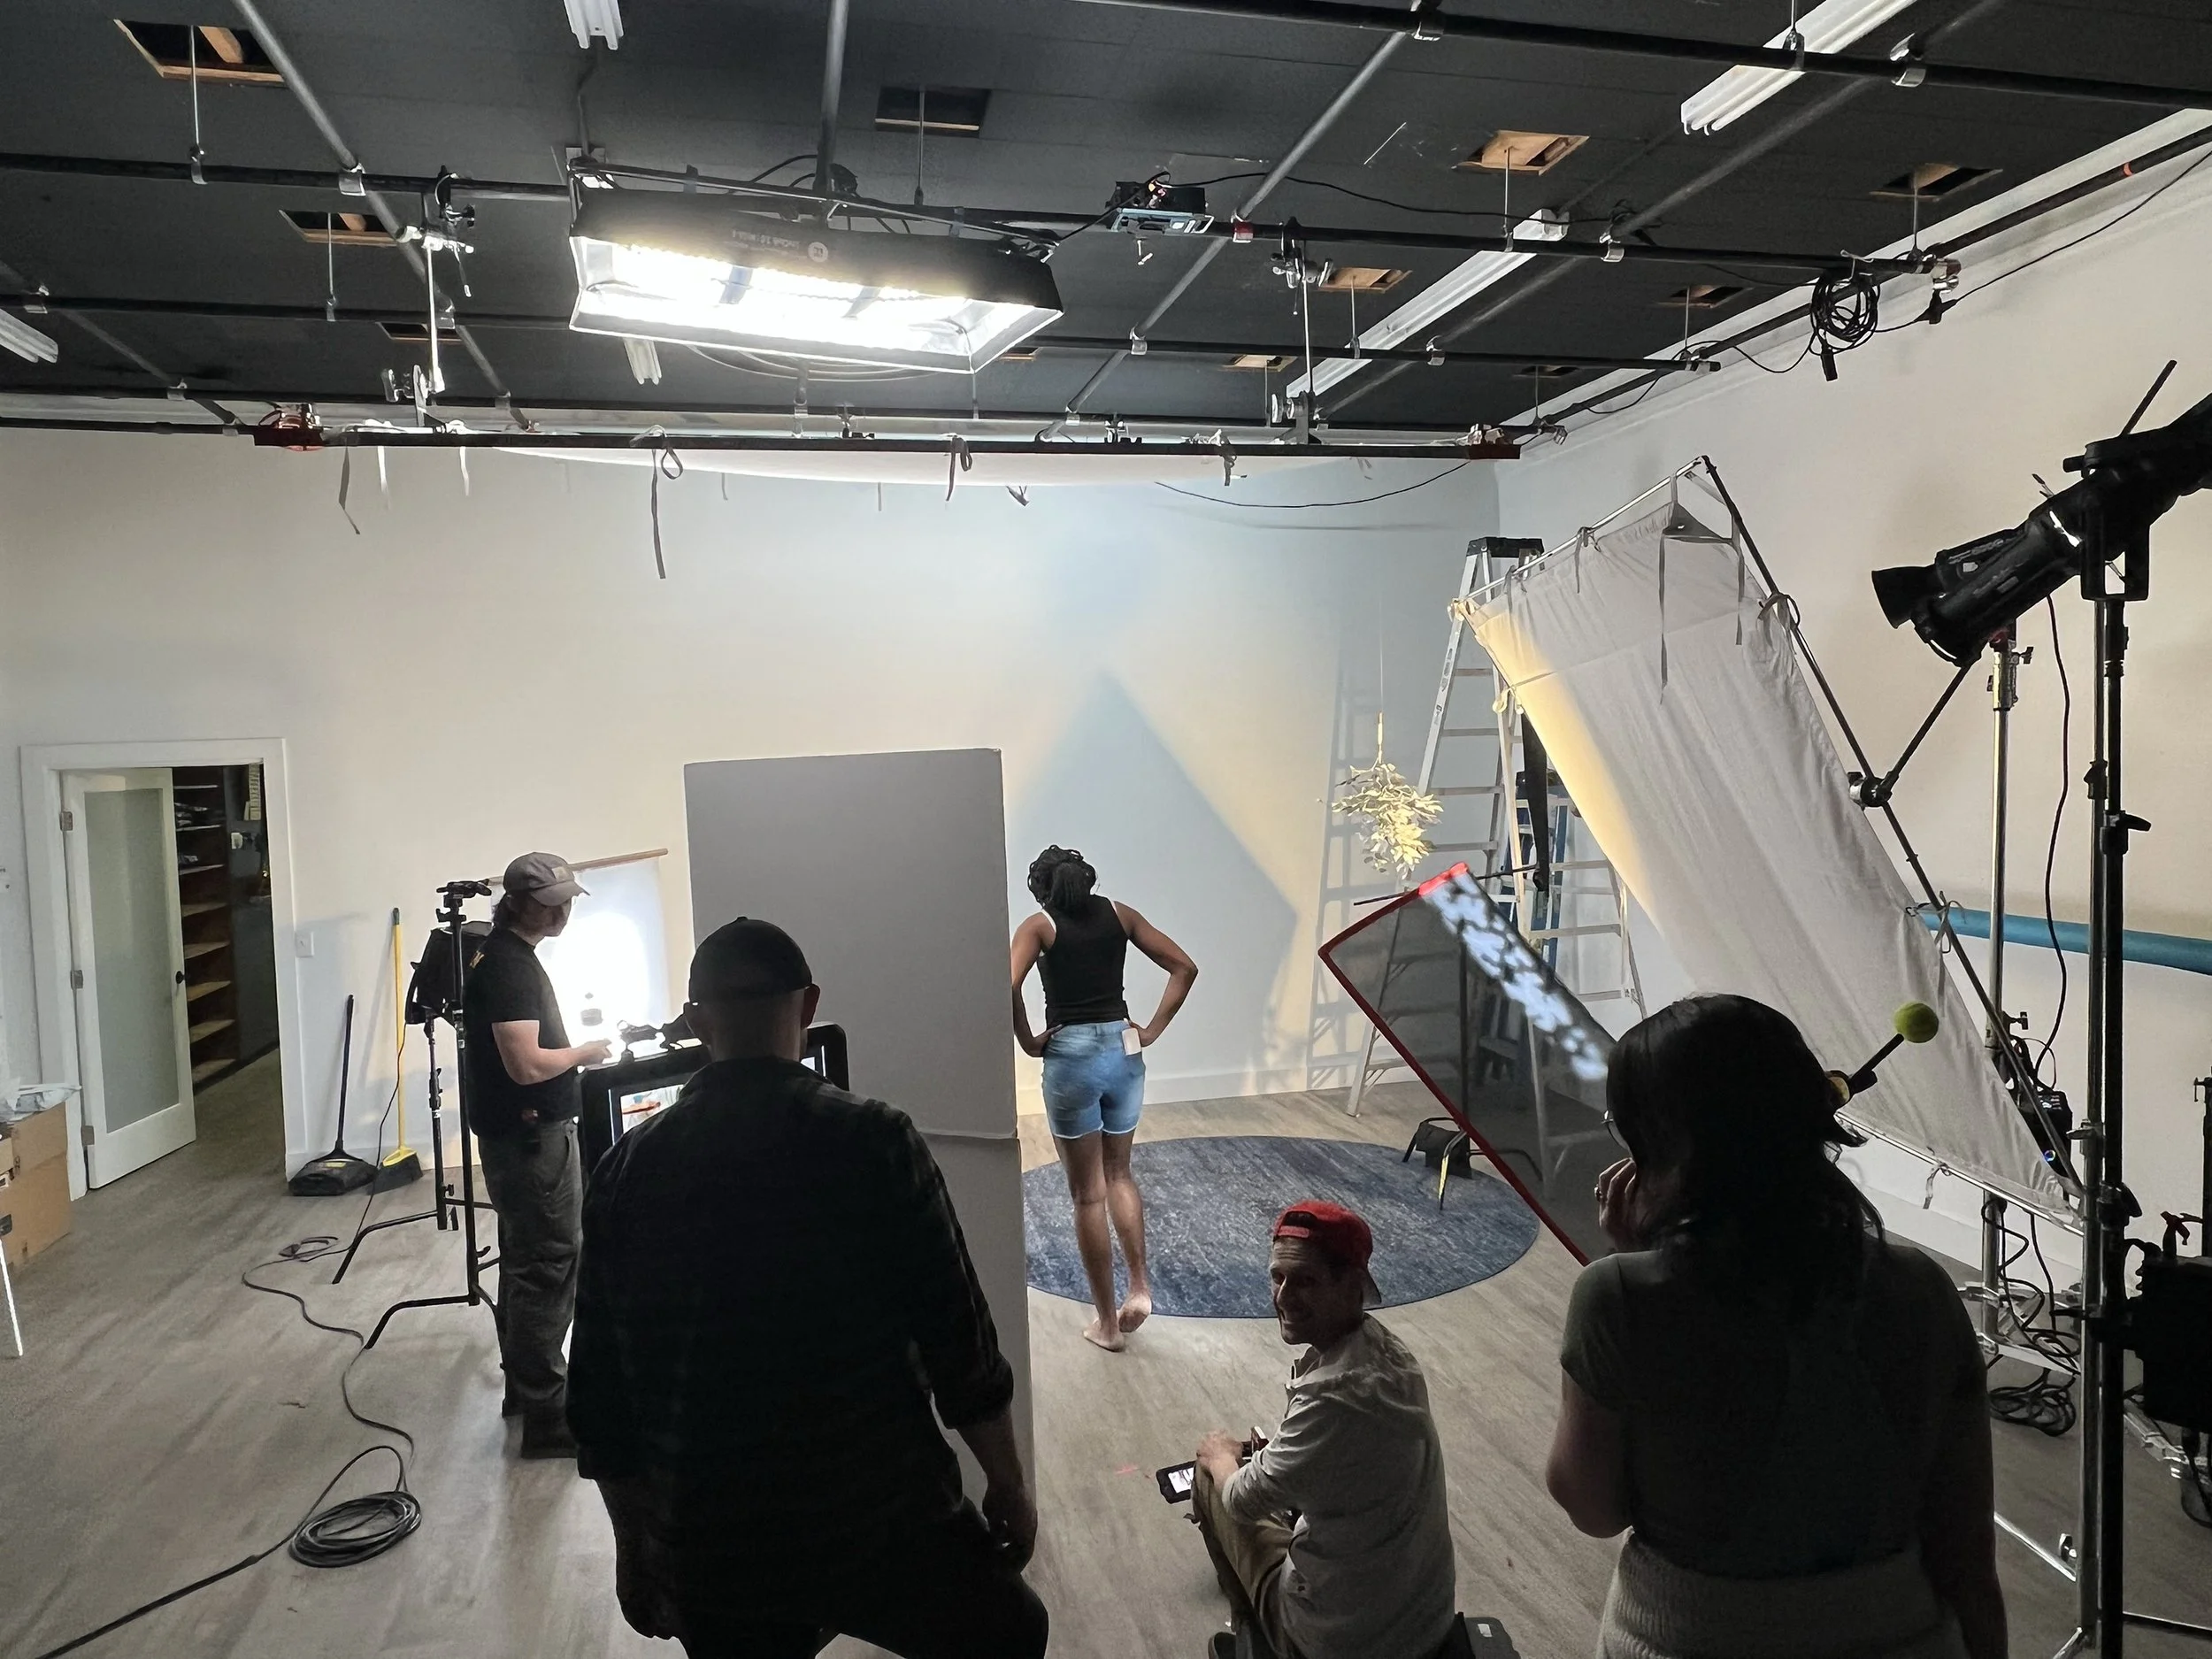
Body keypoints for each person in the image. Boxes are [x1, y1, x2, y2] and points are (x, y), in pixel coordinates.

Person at [568, 917, 1048, 1659]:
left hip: (712, 1541)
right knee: (1013, 1630)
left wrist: (637, 1549)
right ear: (810, 1003)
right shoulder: (875, 1140)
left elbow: (600, 1395)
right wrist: (1009, 1483)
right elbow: (961, 1342)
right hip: (882, 1519)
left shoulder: (624, 1171)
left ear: (696, 1020)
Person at [1545, 995, 2006, 1659]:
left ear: (1664, 1143)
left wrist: (1630, 1271)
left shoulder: (1617, 1297)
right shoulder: (1925, 1290)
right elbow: (1966, 1558)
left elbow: (1592, 1508)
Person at [1192, 1201, 1456, 1659]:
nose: (1283, 1296)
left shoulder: (1331, 1396)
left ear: (1353, 1286)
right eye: (1278, 1277)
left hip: (1343, 1639)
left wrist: (1220, 1457)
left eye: (1306, 1281)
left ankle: (1256, 1639)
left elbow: (1241, 1501)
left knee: (1211, 1481)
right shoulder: (1391, 1357)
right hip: (1422, 1621)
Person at [1010, 845, 1197, 1351]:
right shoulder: (1120, 914)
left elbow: (1006, 983)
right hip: (1123, 1047)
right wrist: (1151, 1030)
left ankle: (1108, 1327)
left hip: (1071, 1055)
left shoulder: (1039, 927)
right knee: (1120, 1174)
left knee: (1086, 1193)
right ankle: (1139, 1289)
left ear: (1044, 889)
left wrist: (1028, 1040)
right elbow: (1184, 966)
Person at [461, 851, 612, 1459]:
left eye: (568, 899)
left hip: (519, 1136)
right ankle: (549, 1414)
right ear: (520, 902)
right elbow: (524, 1065)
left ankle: (528, 1392)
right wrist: (584, 1052)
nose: (564, 910)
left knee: (527, 1258)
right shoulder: (511, 968)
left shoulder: (500, 956)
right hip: (531, 1137)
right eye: (553, 901)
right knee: (549, 1261)